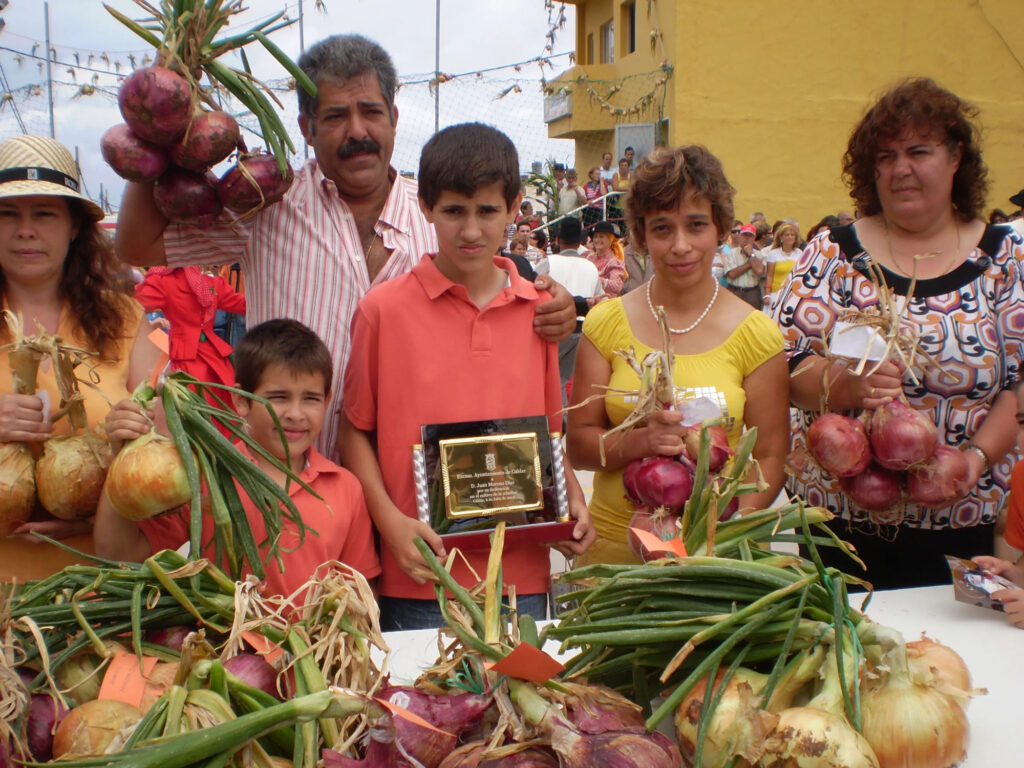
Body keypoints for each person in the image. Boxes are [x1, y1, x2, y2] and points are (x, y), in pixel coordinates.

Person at [114, 34, 575, 461]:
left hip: (412, 495)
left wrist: (553, 306)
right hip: (291, 489)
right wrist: (157, 129)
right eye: (335, 116)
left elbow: (496, 295)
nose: (357, 131)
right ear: (306, 128)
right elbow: (137, 245)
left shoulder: (437, 216)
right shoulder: (265, 205)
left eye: (371, 112)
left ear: (394, 118)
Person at [339, 123, 595, 631]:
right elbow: (353, 431)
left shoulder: (539, 310)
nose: (471, 230)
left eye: (487, 211)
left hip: (520, 576)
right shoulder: (383, 311)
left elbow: (549, 433)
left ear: (515, 206)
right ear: (426, 207)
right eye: (454, 211)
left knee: (518, 703)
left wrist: (571, 503)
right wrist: (392, 527)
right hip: (420, 574)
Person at [772, 77, 1024, 589]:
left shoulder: (1005, 258)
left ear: (956, 158)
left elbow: (1020, 384)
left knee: (949, 665)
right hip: (837, 523)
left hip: (966, 520)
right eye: (885, 156)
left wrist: (974, 459)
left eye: (918, 151)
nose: (900, 169)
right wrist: (844, 386)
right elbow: (783, 362)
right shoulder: (833, 254)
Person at [567, 145, 789, 564]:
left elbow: (772, 457)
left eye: (696, 225)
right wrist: (642, 441)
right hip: (614, 553)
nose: (681, 245)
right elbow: (579, 445)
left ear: (720, 229)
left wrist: (720, 531)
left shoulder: (757, 334)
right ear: (641, 235)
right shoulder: (606, 323)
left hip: (720, 559)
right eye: (663, 228)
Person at [94, 319, 381, 598]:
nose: (295, 414)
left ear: (328, 401)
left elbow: (361, 591)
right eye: (278, 397)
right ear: (241, 400)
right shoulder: (205, 475)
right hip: (226, 644)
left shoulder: (346, 488)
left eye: (310, 398)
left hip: (316, 645)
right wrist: (122, 456)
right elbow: (119, 553)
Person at [0, 135, 163, 580]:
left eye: (45, 214)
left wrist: (128, 439)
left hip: (99, 583)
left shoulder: (129, 319)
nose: (25, 230)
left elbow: (170, 435)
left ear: (74, 227)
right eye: (7, 214)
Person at [133, 265, 246, 407]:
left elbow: (130, 306)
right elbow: (245, 304)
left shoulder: (164, 281)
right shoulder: (210, 284)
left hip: (191, 356)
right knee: (216, 403)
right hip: (201, 357)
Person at [547, 217, 602, 399]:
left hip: (554, 329)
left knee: (551, 380)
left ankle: (557, 423)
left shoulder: (547, 262)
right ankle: (562, 421)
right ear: (581, 242)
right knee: (563, 379)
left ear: (557, 240)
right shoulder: (591, 267)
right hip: (581, 330)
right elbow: (597, 298)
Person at [760, 222, 802, 311]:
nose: (790, 237)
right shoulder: (773, 254)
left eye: (792, 235)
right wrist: (767, 294)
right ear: (781, 238)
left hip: (793, 294)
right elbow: (769, 275)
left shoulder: (799, 253)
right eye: (787, 235)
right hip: (776, 293)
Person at [722, 223, 765, 308]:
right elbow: (732, 274)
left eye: (750, 236)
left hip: (752, 292)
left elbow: (759, 271)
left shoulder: (759, 254)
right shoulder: (732, 253)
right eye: (744, 235)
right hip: (734, 291)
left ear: (754, 238)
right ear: (740, 236)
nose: (747, 238)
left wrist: (750, 254)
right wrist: (750, 263)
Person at [587, 220, 628, 299]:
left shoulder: (614, 262)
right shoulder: (588, 257)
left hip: (605, 304)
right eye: (595, 236)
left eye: (601, 236)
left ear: (610, 239)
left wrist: (595, 279)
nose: (597, 239)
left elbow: (617, 286)